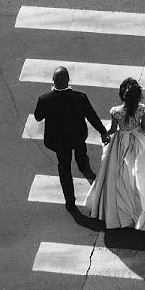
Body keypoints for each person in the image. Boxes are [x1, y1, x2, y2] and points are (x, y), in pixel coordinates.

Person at [85, 78, 145, 230]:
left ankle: (123, 207)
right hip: (139, 139)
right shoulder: (142, 109)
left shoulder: (115, 111)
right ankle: (143, 203)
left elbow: (114, 129)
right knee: (142, 173)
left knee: (119, 172)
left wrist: (104, 135)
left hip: (121, 141)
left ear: (122, 96)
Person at [33, 66, 109, 210]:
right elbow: (92, 116)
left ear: (53, 81)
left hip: (58, 142)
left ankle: (70, 201)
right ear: (68, 80)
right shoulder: (80, 97)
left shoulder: (45, 99)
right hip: (78, 137)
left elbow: (38, 117)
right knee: (81, 153)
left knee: (64, 168)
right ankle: (83, 167)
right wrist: (103, 132)